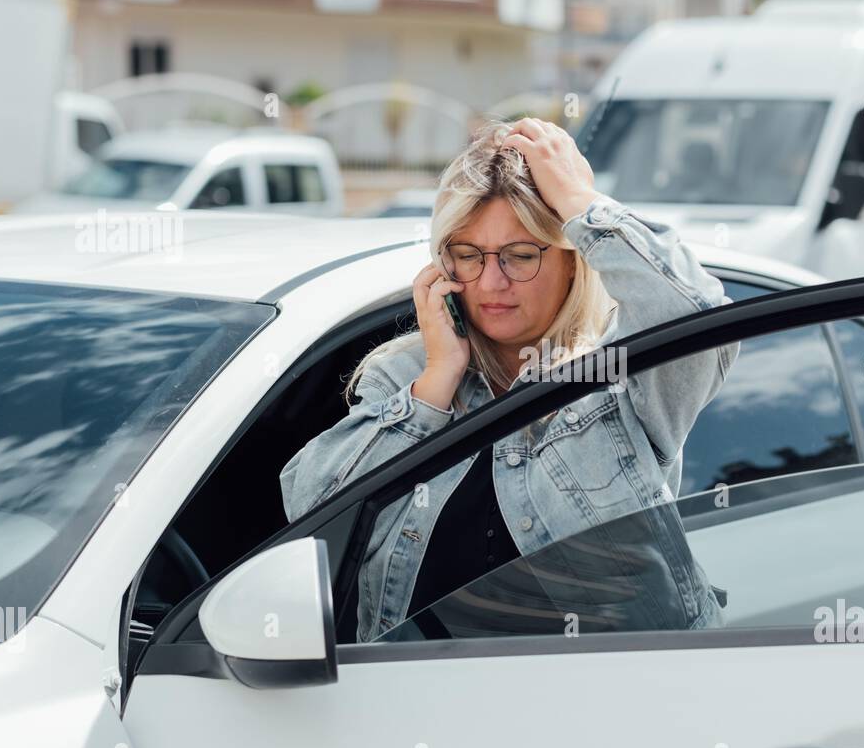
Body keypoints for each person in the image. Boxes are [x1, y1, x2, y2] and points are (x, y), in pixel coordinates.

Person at [279, 118, 737, 643]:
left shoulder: (618, 375)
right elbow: (310, 515)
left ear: (572, 259)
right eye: (469, 255)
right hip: (415, 709)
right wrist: (436, 386)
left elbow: (697, 314)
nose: (492, 282)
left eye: (520, 256)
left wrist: (581, 202)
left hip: (606, 704)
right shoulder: (406, 378)